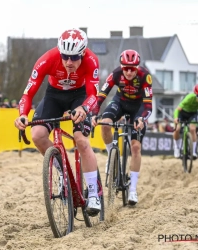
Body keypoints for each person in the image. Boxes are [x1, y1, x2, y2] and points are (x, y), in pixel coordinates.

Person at [14, 28, 101, 216]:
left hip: (80, 97)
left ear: (83, 53)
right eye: (65, 56)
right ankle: (62, 172)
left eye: (74, 57)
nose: (69, 62)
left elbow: (94, 94)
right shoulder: (46, 59)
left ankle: (94, 193)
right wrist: (22, 114)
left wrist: (84, 108)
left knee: (81, 140)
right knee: (37, 134)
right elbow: (28, 93)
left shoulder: (92, 60)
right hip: (54, 95)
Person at [92, 49, 153, 205]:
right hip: (120, 102)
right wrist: (94, 113)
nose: (129, 72)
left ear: (137, 67)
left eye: (132, 68)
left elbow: (148, 106)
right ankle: (111, 156)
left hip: (138, 108)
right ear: (121, 66)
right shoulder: (116, 74)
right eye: (126, 68)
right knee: (105, 123)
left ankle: (132, 189)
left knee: (135, 148)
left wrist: (142, 119)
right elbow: (102, 95)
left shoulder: (145, 76)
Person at [172, 84, 198, 159]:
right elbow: (177, 109)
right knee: (177, 129)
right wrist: (176, 118)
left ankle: (193, 151)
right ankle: (177, 148)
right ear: (195, 94)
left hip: (193, 114)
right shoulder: (189, 97)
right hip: (182, 113)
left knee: (193, 129)